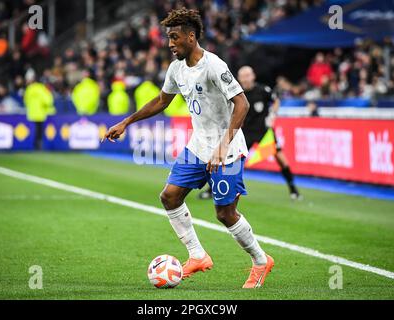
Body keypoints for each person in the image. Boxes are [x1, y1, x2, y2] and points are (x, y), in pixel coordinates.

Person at [102, 8, 274, 289]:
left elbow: (241, 103)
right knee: (169, 197)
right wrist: (126, 121)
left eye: (174, 37)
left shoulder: (214, 66)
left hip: (226, 149)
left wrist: (222, 146)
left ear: (191, 37)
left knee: (225, 214)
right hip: (198, 145)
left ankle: (260, 260)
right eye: (168, 38)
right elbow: (161, 101)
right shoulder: (176, 68)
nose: (170, 44)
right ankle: (197, 255)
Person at [199, 66, 302, 200]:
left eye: (248, 75)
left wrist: (272, 115)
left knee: (281, 159)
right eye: (243, 76)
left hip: (264, 133)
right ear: (239, 78)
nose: (246, 79)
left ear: (253, 76)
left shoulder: (263, 90)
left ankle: (293, 189)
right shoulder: (235, 93)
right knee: (229, 160)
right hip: (245, 132)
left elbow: (276, 101)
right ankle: (212, 189)